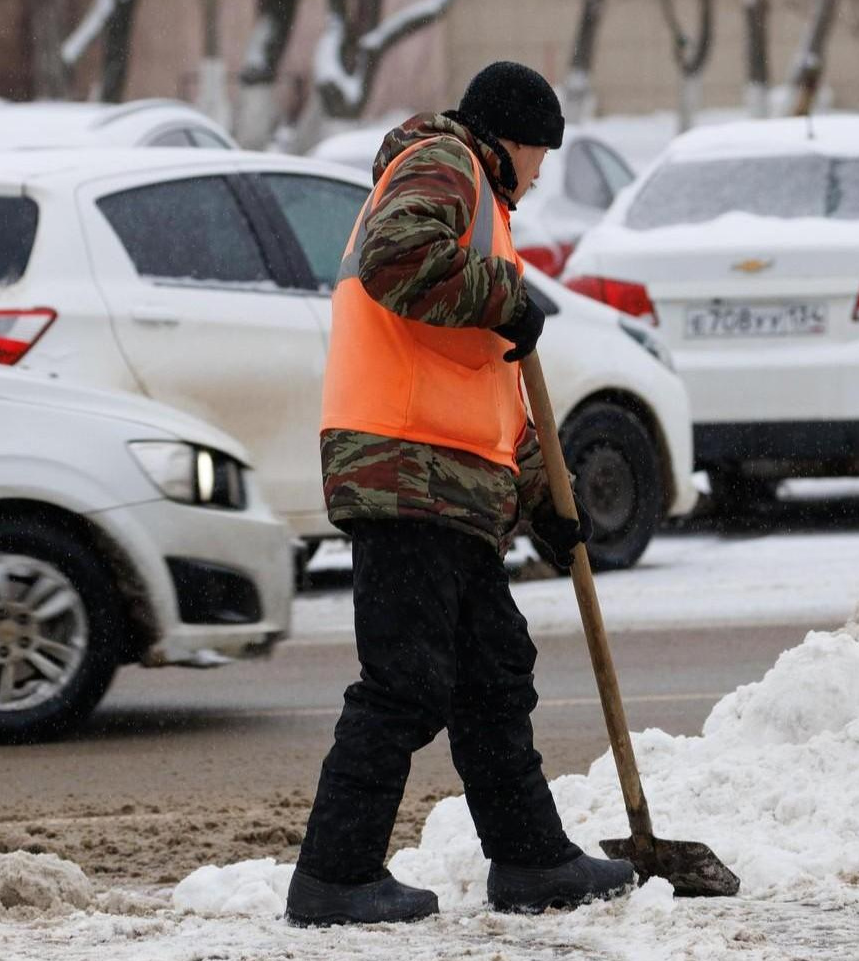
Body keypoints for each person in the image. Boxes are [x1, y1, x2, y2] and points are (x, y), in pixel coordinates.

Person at [284, 62, 637, 926]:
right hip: (405, 472)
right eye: (539, 154)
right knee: (407, 680)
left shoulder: (483, 205)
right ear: (510, 138)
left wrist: (541, 498)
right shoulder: (444, 162)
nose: (542, 173)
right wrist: (506, 296)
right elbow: (396, 259)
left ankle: (530, 859)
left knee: (492, 674)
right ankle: (334, 875)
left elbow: (483, 390)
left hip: (450, 481)